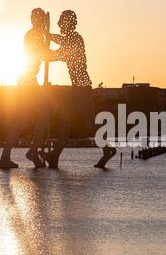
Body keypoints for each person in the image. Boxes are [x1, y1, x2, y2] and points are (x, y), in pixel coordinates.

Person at [45, 10, 116, 169]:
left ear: (68, 23)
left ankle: (108, 149)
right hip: (77, 89)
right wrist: (49, 36)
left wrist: (46, 50)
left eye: (61, 22)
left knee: (89, 124)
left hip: (82, 89)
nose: (58, 24)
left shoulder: (75, 39)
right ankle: (55, 156)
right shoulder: (71, 38)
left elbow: (59, 54)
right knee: (65, 122)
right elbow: (61, 41)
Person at [0, 8, 50, 169]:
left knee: (23, 119)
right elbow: (45, 55)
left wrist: (47, 36)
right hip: (27, 79)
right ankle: (33, 151)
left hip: (25, 78)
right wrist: (48, 36)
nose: (41, 23)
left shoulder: (33, 34)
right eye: (40, 20)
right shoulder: (35, 35)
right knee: (44, 113)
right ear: (37, 21)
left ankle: (5, 156)